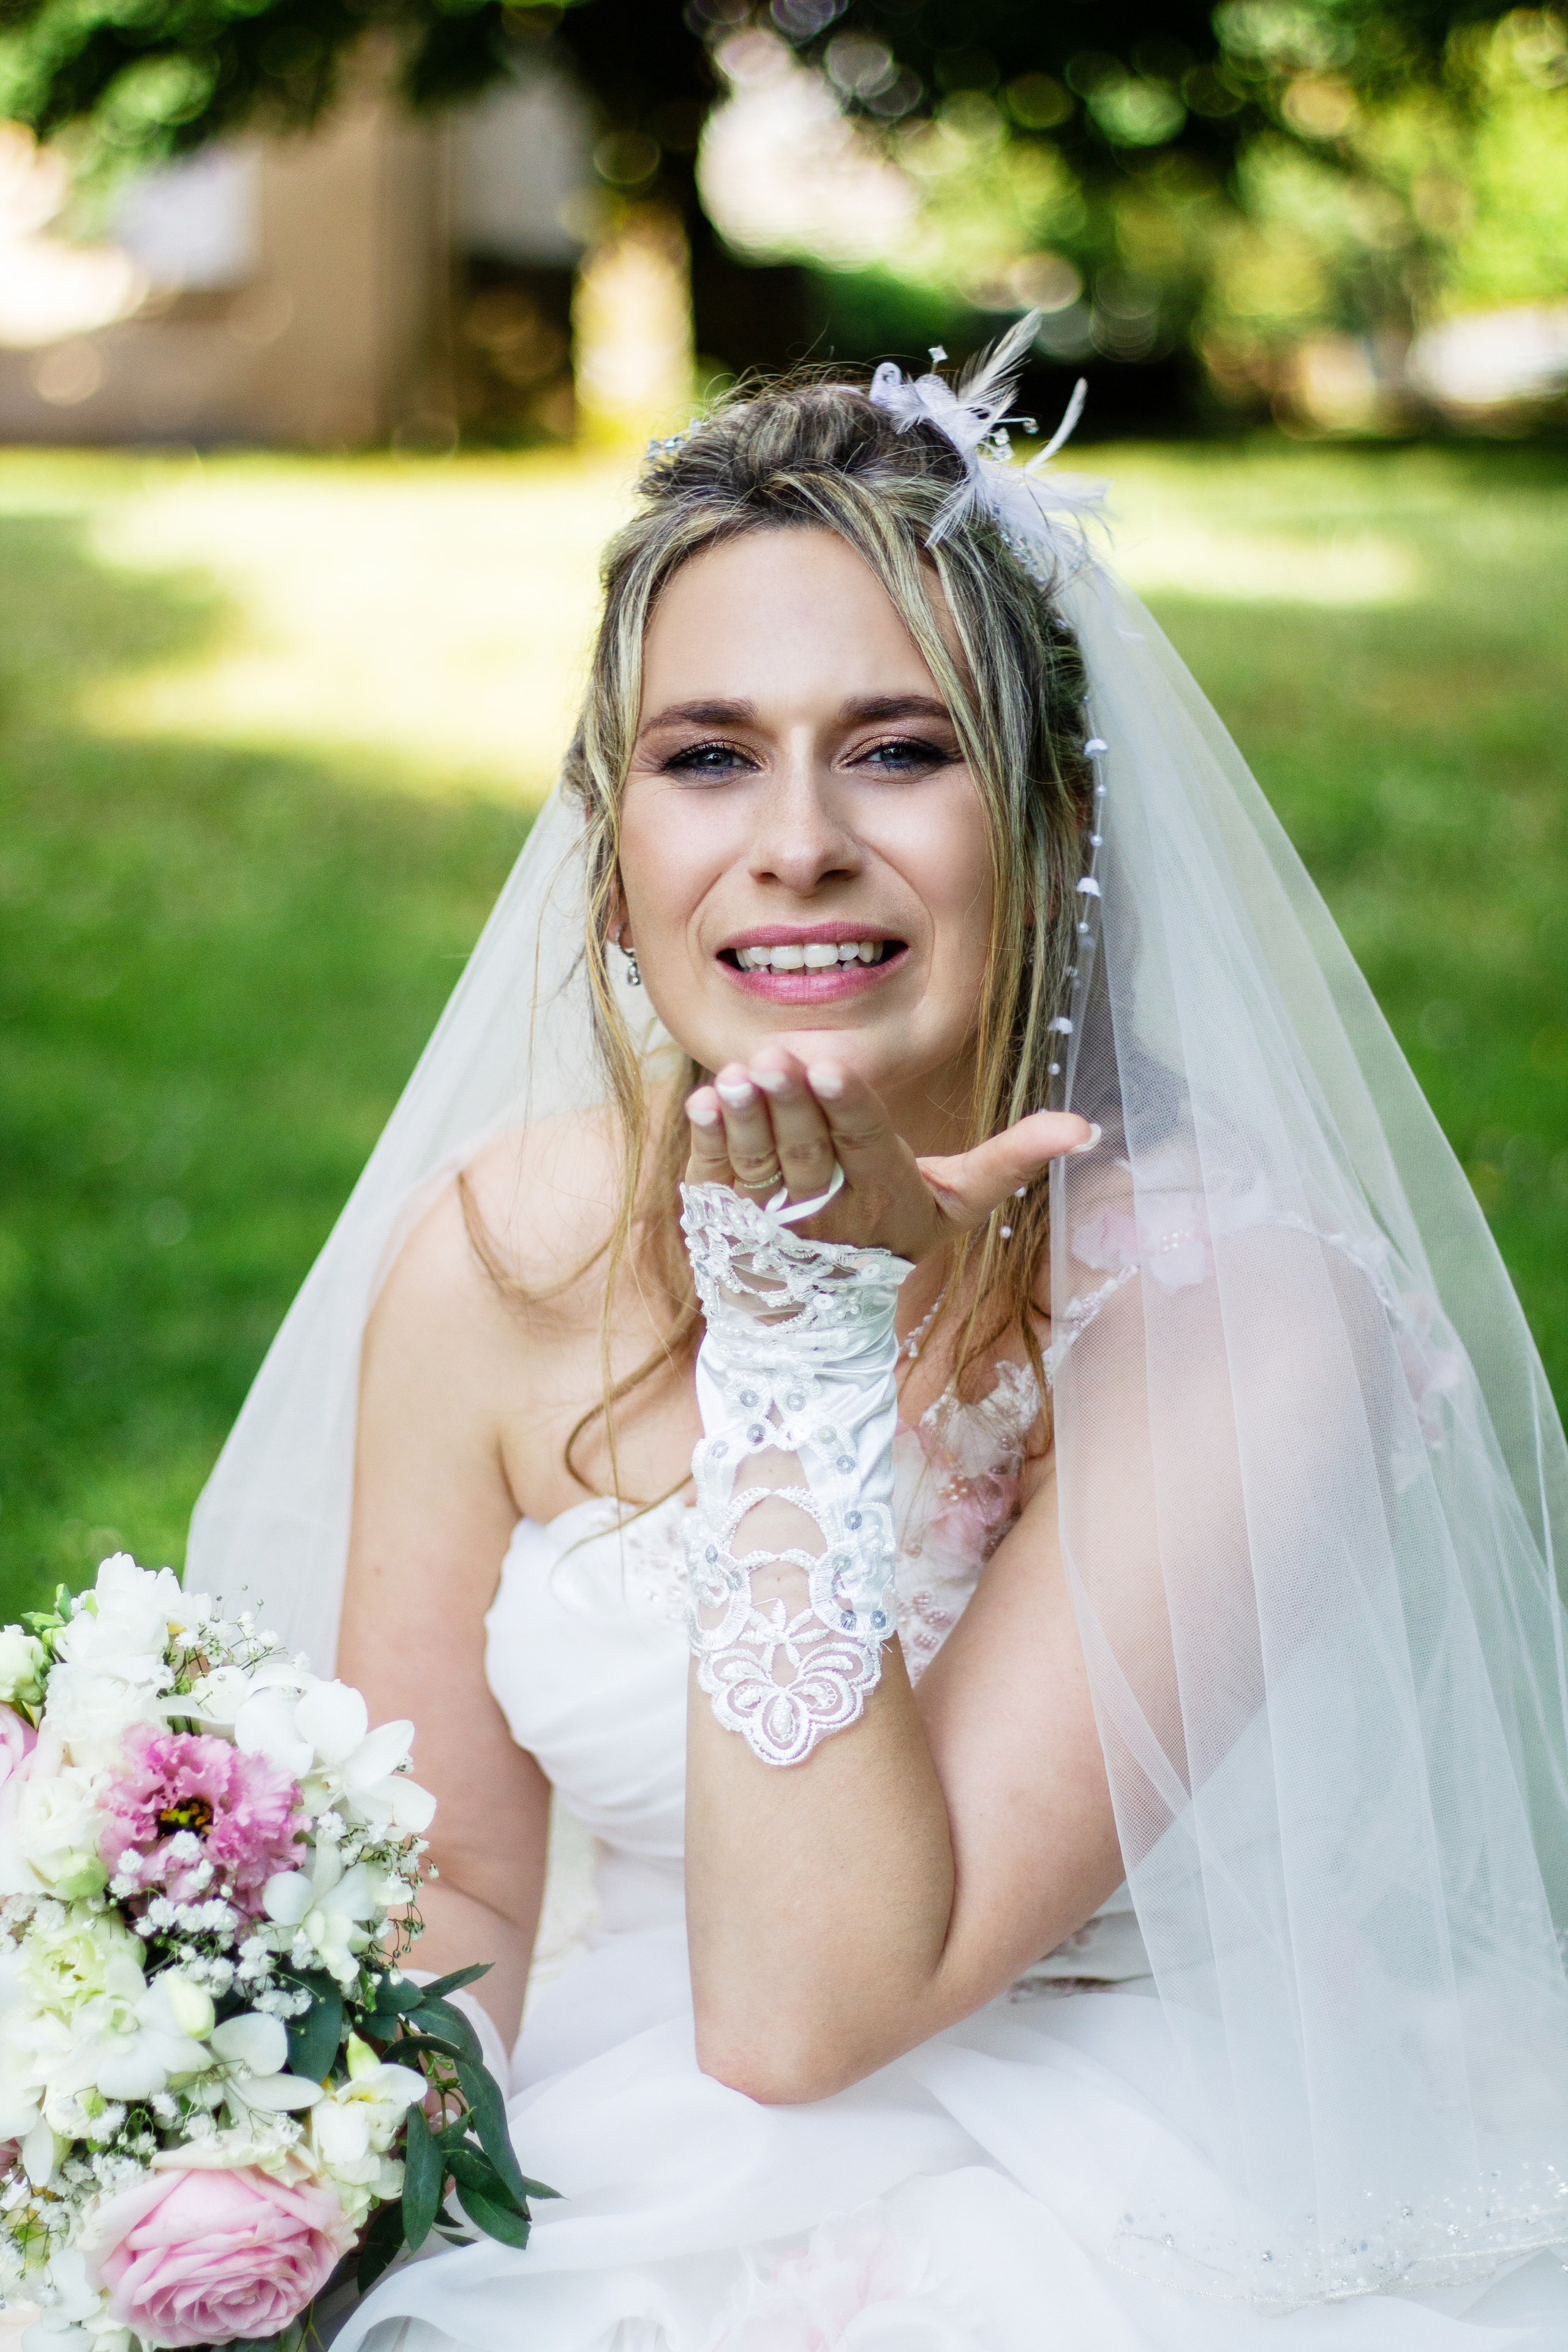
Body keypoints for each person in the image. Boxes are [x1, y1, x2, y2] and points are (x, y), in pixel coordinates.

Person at [192, 326, 1568, 2350]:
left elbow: (811, 2013)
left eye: (903, 749)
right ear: (612, 841)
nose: (800, 841)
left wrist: (803, 1329)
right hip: (592, 2132)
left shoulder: (1239, 1311)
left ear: (1055, 823)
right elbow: (457, 1894)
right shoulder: (501, 1257)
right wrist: (273, 2173)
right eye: (710, 754)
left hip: (1103, 2185)